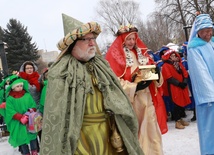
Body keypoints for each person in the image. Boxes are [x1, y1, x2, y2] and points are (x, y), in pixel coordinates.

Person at [40, 21, 144, 155]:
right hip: (80, 136)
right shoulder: (62, 71)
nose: (92, 43)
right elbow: (57, 115)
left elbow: (117, 95)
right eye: (86, 39)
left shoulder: (101, 66)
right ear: (72, 44)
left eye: (93, 39)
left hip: (109, 132)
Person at [105, 24, 164, 155]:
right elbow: (114, 82)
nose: (132, 42)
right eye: (128, 39)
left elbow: (152, 73)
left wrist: (157, 74)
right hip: (132, 102)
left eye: (133, 38)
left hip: (147, 98)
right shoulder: (115, 57)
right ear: (122, 40)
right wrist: (135, 87)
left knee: (151, 130)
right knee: (137, 132)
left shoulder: (141, 53)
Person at [187, 13, 214, 155]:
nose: (208, 33)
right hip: (209, 100)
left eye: (210, 29)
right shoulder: (194, 48)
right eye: (205, 30)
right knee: (210, 130)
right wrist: (211, 96)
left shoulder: (212, 43)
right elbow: (201, 75)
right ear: (198, 31)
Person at [4, 75, 39, 155]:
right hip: (18, 122)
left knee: (32, 135)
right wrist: (19, 117)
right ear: (13, 88)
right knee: (21, 137)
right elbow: (10, 110)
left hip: (29, 120)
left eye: (21, 86)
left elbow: (32, 104)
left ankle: (34, 151)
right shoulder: (10, 98)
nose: (20, 88)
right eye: (17, 86)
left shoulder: (27, 95)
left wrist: (30, 112)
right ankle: (26, 152)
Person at [161, 49, 191, 129]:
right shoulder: (165, 66)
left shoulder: (179, 64)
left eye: (175, 55)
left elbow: (184, 73)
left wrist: (184, 81)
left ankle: (180, 119)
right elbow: (169, 77)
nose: (174, 57)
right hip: (173, 87)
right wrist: (179, 84)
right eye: (172, 56)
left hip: (181, 87)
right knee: (176, 104)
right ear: (169, 57)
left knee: (182, 103)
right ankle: (177, 121)